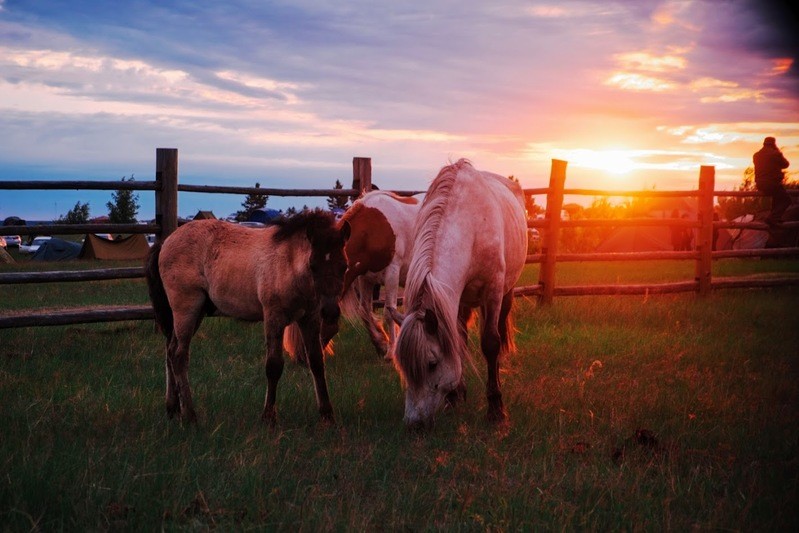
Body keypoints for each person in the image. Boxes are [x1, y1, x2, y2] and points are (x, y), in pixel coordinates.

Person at [753, 136, 791, 227]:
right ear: (774, 144)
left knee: (777, 198)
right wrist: (779, 152)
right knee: (786, 200)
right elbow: (786, 164)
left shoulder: (756, 155)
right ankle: (772, 218)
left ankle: (775, 218)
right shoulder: (775, 154)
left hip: (760, 184)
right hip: (772, 183)